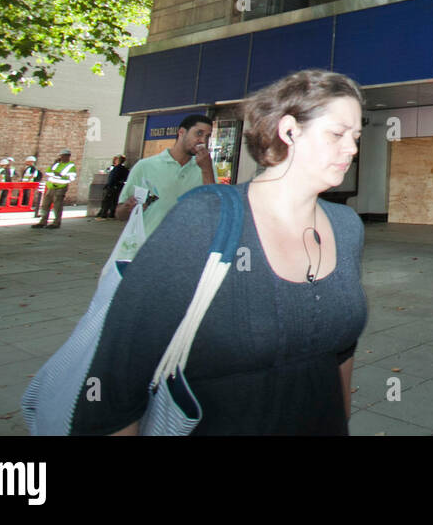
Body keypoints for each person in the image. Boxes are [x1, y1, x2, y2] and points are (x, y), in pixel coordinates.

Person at [71, 69, 368, 435]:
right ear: (289, 130)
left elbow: (341, 351)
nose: (352, 148)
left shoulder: (346, 227)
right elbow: (112, 395)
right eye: (337, 134)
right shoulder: (203, 219)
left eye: (355, 136)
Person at [114, 115, 215, 239]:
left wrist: (207, 170)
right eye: (199, 133)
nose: (203, 141)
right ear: (182, 132)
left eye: (207, 136)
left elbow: (213, 208)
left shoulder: (206, 168)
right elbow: (120, 214)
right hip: (146, 246)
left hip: (185, 247)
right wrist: (127, 208)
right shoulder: (144, 166)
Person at [34, 149, 77, 229]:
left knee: (57, 205)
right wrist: (54, 164)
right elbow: (48, 172)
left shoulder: (71, 166)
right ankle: (43, 221)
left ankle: (56, 222)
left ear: (68, 156)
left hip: (60, 187)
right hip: (51, 187)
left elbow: (72, 178)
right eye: (61, 156)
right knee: (45, 205)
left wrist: (60, 175)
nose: (62, 157)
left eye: (63, 156)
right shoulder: (57, 164)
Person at [97, 155, 129, 219]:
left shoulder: (117, 168)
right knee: (114, 201)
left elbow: (112, 178)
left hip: (113, 187)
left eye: (116, 160)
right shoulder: (123, 169)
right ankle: (111, 214)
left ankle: (103, 215)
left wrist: (109, 185)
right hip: (117, 187)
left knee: (107, 201)